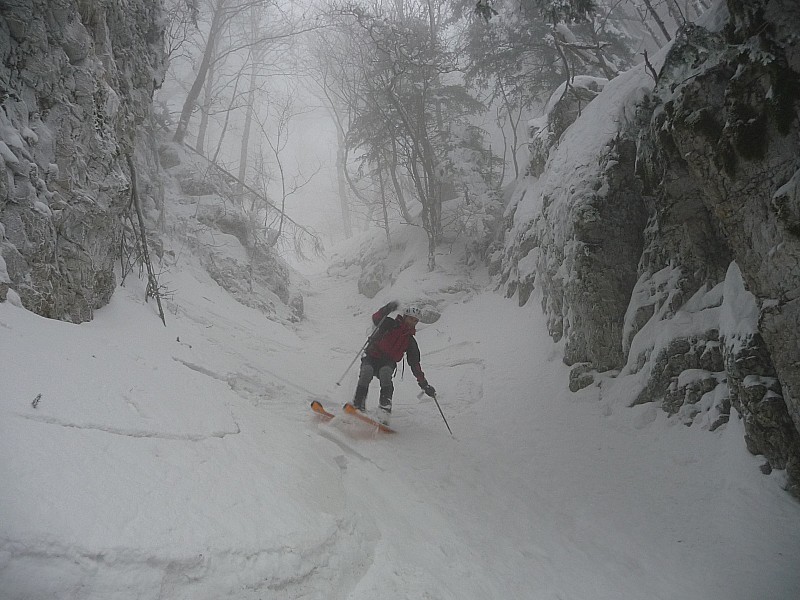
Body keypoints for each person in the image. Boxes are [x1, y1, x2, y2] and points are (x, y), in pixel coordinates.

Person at [352, 301, 436, 416]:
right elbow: (376, 318)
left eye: (415, 320)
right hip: (372, 356)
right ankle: (358, 406)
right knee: (366, 372)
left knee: (386, 374)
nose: (413, 322)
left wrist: (424, 384)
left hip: (387, 362)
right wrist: (387, 308)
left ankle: (384, 410)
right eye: (411, 319)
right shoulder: (390, 324)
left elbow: (414, 363)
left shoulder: (410, 341)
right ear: (405, 317)